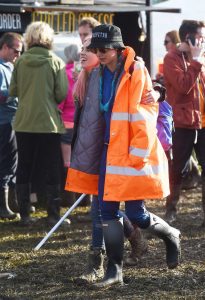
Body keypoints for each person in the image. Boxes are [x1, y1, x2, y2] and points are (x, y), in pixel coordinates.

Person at [66, 24, 181, 287]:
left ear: (118, 49)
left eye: (104, 49)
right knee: (106, 211)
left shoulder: (134, 69)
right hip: (107, 152)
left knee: (136, 213)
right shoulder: (96, 73)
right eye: (96, 49)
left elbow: (146, 111)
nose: (100, 53)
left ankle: (171, 234)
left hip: (131, 153)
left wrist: (138, 154)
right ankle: (114, 271)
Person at [9, 21, 69, 226]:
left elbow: (13, 91)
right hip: (49, 123)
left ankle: (25, 214)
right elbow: (61, 93)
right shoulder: (55, 61)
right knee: (52, 167)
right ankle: (53, 214)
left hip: (24, 121)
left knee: (23, 166)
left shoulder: (20, 61)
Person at [163, 20, 205, 224]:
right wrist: (196, 61)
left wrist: (198, 60)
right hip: (182, 123)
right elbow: (183, 87)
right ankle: (171, 208)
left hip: (203, 122)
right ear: (188, 37)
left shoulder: (201, 58)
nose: (203, 40)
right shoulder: (171, 58)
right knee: (177, 169)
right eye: (200, 37)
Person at [0, 32, 23, 220]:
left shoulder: (10, 66)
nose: (18, 55)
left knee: (12, 161)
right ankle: (4, 206)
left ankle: (12, 202)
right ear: (5, 47)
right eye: (16, 51)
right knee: (6, 162)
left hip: (12, 120)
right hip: (4, 121)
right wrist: (16, 90)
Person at [58, 43, 80, 206]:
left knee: (67, 162)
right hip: (80, 123)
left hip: (65, 122)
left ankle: (68, 199)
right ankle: (83, 198)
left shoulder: (64, 73)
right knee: (81, 160)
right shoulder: (84, 73)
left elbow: (62, 99)